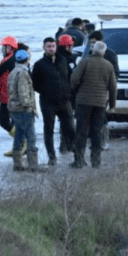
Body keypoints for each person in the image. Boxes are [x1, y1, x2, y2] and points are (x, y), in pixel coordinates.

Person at [69, 41, 117, 169]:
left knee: (81, 131)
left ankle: (79, 160)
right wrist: (112, 105)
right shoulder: (108, 65)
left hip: (83, 102)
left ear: (92, 50)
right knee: (96, 132)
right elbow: (113, 88)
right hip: (100, 103)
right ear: (104, 52)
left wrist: (76, 91)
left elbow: (74, 79)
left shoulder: (84, 62)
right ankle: (96, 161)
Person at [31, 37, 74, 165]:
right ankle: (52, 157)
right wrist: (46, 91)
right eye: (48, 46)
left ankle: (76, 154)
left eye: (53, 46)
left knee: (70, 128)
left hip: (65, 101)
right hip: (48, 102)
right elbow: (34, 84)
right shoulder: (39, 64)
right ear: (44, 48)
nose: (51, 49)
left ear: (56, 47)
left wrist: (69, 92)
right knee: (48, 130)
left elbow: (70, 77)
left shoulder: (63, 60)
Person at [82, 30, 119, 150]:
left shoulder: (110, 55)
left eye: (94, 42)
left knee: (101, 116)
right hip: (89, 90)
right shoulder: (88, 53)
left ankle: (103, 141)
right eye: (91, 43)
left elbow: (115, 74)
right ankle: (94, 141)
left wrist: (109, 90)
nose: (92, 45)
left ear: (100, 41)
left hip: (104, 90)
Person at [7, 49, 42, 172]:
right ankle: (33, 165)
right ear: (27, 59)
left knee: (19, 136)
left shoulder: (13, 71)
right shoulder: (23, 72)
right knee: (31, 137)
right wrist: (28, 107)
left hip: (14, 109)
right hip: (23, 109)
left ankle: (17, 164)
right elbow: (23, 92)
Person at [0, 35, 18, 150]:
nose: (2, 49)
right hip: (11, 96)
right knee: (14, 122)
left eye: (4, 47)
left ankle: (21, 142)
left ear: (10, 48)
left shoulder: (8, 60)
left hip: (7, 96)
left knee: (4, 122)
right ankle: (19, 146)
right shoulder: (14, 59)